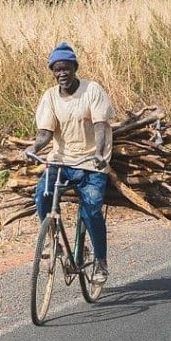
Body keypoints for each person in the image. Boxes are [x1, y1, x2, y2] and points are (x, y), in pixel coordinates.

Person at [25, 41, 114, 284]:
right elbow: (45, 133)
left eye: (66, 68)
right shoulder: (50, 97)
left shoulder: (92, 90)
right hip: (61, 162)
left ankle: (101, 261)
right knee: (41, 195)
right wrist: (34, 148)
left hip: (90, 161)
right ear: (53, 72)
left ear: (75, 68)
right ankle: (54, 240)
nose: (62, 73)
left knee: (92, 210)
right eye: (57, 70)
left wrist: (99, 153)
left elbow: (100, 126)